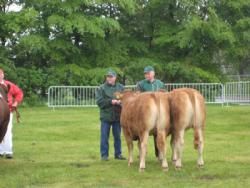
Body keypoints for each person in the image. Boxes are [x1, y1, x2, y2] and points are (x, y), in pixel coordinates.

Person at [96, 69, 126, 161]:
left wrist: (121, 101)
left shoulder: (121, 87)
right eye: (108, 77)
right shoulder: (101, 88)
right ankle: (104, 155)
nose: (109, 78)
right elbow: (99, 102)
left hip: (117, 116)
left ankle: (118, 154)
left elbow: (126, 99)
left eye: (111, 77)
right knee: (104, 136)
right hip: (106, 116)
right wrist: (111, 101)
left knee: (117, 136)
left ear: (115, 78)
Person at [137, 65, 165, 158]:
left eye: (148, 73)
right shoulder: (141, 84)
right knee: (142, 132)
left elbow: (165, 96)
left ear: (153, 73)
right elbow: (138, 97)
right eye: (145, 74)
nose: (147, 75)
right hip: (145, 111)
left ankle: (159, 153)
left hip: (159, 112)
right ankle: (142, 152)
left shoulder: (160, 83)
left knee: (158, 132)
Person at [0, 69, 23, 159]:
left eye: (0, 74)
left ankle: (8, 151)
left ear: (3, 75)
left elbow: (19, 93)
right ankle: (1, 151)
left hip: (8, 110)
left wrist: (16, 102)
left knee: (7, 131)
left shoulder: (8, 84)